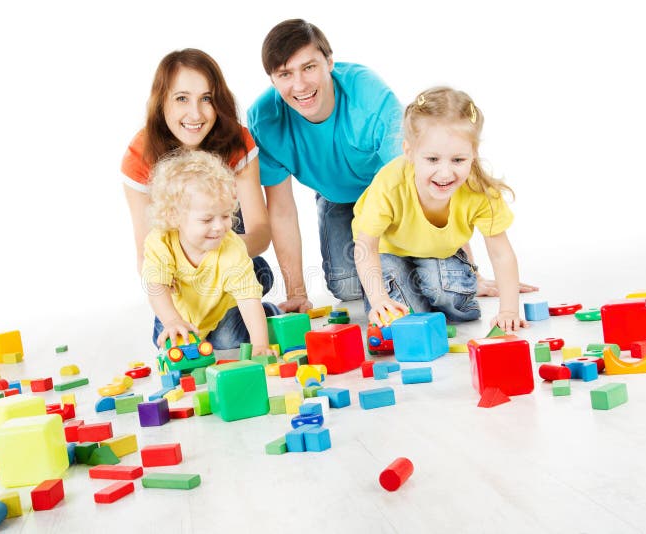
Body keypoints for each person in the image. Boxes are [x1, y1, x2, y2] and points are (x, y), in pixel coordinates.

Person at [248, 19, 535, 314]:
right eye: (285, 74)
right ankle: (398, 272)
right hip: (336, 196)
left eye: (309, 67)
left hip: (392, 192)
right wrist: (296, 292)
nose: (300, 85)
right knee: (347, 286)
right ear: (272, 79)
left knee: (433, 278)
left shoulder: (368, 97)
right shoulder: (265, 118)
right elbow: (281, 210)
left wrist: (468, 272)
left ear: (329, 62)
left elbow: (432, 182)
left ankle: (428, 271)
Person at [352, 87, 528, 332]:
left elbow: (500, 253)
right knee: (402, 320)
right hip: (387, 250)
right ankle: (408, 288)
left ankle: (429, 285)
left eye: (458, 160)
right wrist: (379, 299)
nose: (445, 173)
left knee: (454, 302)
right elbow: (365, 246)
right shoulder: (390, 184)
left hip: (438, 252)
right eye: (432, 159)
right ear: (409, 152)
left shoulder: (480, 190)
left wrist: (509, 310)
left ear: (473, 155)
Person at [122, 48, 274, 294]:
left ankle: (251, 289)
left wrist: (218, 260)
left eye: (206, 98)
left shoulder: (237, 142)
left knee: (242, 303)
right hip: (180, 273)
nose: (195, 114)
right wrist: (177, 291)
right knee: (183, 333)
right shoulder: (139, 156)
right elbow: (146, 257)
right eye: (182, 98)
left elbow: (260, 233)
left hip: (227, 250)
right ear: (162, 102)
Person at [142, 150, 280, 354]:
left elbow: (247, 300)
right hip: (182, 309)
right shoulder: (160, 241)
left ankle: (268, 311)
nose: (219, 227)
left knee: (227, 340)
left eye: (225, 216)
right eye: (207, 220)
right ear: (174, 217)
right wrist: (172, 320)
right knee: (164, 339)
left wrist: (260, 344)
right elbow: (156, 286)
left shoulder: (231, 247)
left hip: (221, 308)